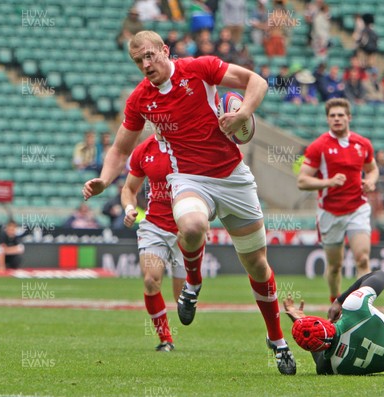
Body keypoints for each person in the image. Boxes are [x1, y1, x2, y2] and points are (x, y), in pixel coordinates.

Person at [82, 30, 296, 375]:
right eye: (139, 61)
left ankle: (277, 340)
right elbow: (121, 147)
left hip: (233, 178)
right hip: (189, 178)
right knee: (193, 226)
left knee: (257, 265)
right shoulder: (140, 99)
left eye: (150, 56)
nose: (146, 65)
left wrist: (244, 114)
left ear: (165, 50)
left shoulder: (200, 68)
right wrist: (105, 179)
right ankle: (193, 283)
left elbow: (255, 81)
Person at [297, 98, 379, 303]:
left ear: (349, 117)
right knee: (335, 266)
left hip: (357, 208)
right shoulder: (318, 146)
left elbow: (373, 169)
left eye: (340, 115)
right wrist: (329, 182)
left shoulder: (363, 144)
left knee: (363, 258)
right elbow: (302, 181)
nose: (337, 119)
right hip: (330, 212)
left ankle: (363, 306)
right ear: (327, 120)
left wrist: (370, 181)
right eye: (332, 116)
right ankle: (335, 299)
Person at [122, 133, 190, 352]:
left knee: (183, 303)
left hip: (185, 229)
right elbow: (129, 189)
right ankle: (165, 339)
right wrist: (129, 209)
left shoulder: (191, 145)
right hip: (154, 227)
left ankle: (191, 295)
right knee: (151, 280)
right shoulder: (144, 150)